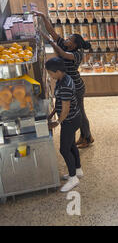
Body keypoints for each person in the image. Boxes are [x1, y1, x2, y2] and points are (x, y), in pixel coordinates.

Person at [33, 11, 94, 148]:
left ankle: (87, 136)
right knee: (76, 111)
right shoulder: (65, 45)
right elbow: (52, 31)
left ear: (74, 45)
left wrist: (49, 41)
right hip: (69, 84)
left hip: (77, 87)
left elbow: (63, 54)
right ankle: (84, 135)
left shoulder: (76, 54)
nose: (66, 40)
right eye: (67, 38)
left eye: (69, 40)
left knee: (80, 111)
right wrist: (43, 17)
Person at [45, 57, 83, 192]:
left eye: (50, 73)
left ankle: (73, 179)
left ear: (58, 71)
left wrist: (57, 122)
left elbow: (65, 109)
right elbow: (60, 102)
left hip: (70, 120)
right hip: (72, 118)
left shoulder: (66, 85)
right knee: (71, 145)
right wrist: (51, 114)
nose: (50, 75)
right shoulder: (62, 79)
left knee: (64, 149)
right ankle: (78, 170)